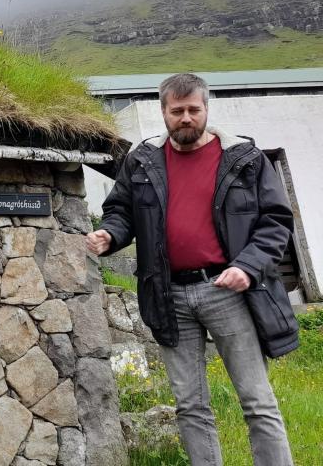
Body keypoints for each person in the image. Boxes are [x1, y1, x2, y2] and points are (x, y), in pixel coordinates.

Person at [86, 73, 297, 466]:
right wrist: (108, 236)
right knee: (190, 406)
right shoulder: (143, 160)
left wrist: (248, 267)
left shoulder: (244, 158)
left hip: (229, 290)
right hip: (169, 296)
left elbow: (276, 221)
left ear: (206, 109)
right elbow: (122, 212)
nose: (186, 118)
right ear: (164, 112)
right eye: (177, 111)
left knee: (257, 401)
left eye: (193, 110)